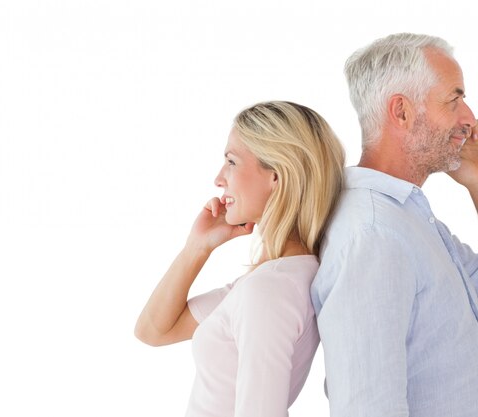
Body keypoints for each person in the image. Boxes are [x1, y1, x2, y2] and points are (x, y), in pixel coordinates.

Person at [311, 33, 478, 417]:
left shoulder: (407, 218)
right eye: (454, 99)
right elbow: (367, 407)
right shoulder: (374, 232)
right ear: (402, 112)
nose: (470, 118)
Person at [135, 101, 345, 417]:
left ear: (277, 175)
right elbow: (153, 331)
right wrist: (198, 247)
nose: (220, 179)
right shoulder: (279, 278)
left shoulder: (269, 289)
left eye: (231, 161)